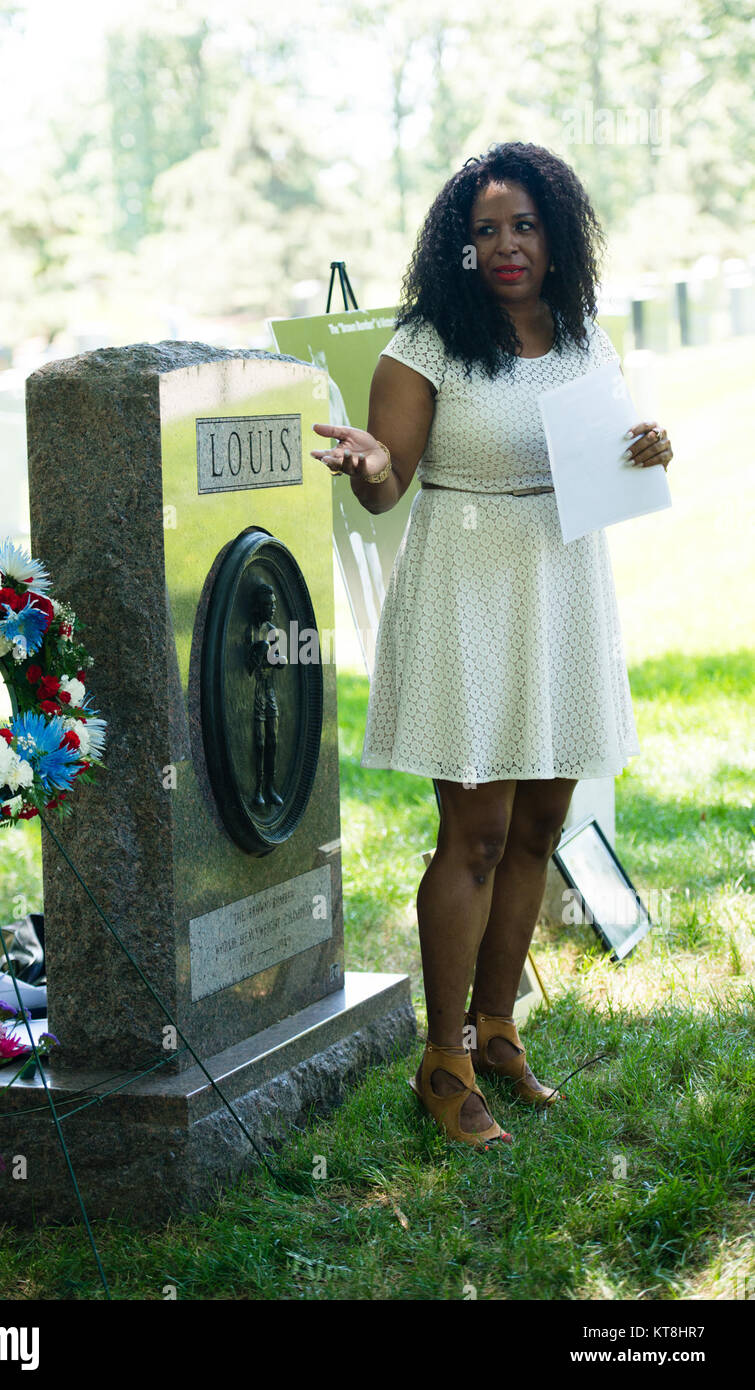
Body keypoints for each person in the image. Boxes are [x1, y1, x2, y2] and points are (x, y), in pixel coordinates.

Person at [310, 142, 673, 1150]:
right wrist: (373, 464)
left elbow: (607, 448)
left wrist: (648, 446)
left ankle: (499, 1029)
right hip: (467, 588)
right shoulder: (428, 340)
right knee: (473, 835)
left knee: (538, 830)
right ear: (460, 248)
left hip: (563, 584)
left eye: (523, 225)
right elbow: (388, 482)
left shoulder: (585, 335)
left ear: (556, 233)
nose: (506, 245)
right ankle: (441, 1061)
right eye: (485, 230)